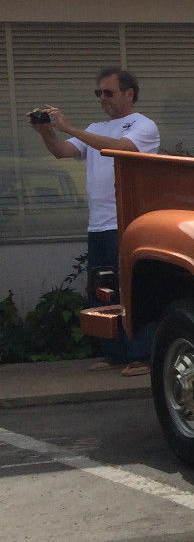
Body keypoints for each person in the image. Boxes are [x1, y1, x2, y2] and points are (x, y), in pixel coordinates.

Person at [29, 66, 160, 374]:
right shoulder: (95, 127)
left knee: (130, 289)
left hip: (127, 221)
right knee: (102, 290)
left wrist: (70, 128)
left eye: (109, 92)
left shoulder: (142, 125)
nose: (103, 98)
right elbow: (62, 152)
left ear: (129, 94)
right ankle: (114, 353)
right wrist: (47, 132)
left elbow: (122, 149)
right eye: (98, 93)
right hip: (99, 223)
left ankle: (142, 355)